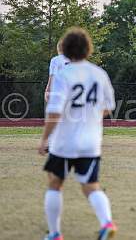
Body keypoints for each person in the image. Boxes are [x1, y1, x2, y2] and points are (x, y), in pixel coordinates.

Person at [38, 27, 117, 240]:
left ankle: (54, 233)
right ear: (88, 49)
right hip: (91, 142)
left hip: (64, 142)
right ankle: (106, 222)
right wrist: (90, 116)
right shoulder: (99, 74)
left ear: (64, 50)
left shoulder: (64, 75)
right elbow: (108, 106)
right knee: (91, 185)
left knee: (55, 183)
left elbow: (54, 112)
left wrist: (45, 138)